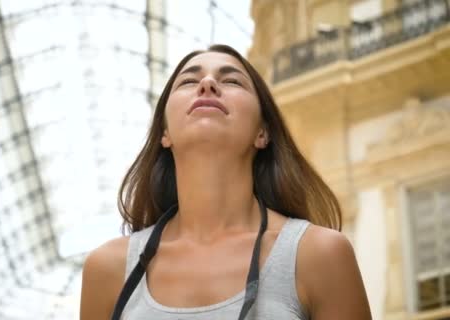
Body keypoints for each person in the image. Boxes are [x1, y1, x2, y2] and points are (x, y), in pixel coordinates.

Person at [80, 44, 371, 320]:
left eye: (232, 81)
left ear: (262, 133)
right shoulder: (107, 270)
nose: (207, 84)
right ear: (164, 134)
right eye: (188, 81)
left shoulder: (319, 256)